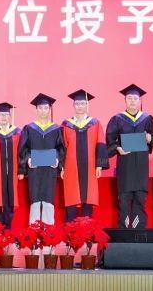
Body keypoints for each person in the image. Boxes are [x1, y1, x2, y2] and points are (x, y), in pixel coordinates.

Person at [106, 84, 153, 229]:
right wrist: (118, 148)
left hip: (141, 166)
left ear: (140, 100)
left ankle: (139, 232)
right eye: (129, 98)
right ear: (125, 100)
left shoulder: (147, 119)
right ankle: (124, 231)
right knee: (124, 200)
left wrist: (150, 139)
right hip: (125, 165)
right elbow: (110, 141)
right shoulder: (117, 119)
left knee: (140, 199)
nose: (132, 101)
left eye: (135, 98)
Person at [60, 90, 108, 220]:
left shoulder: (95, 123)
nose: (80, 106)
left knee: (88, 198)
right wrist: (62, 167)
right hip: (71, 167)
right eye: (77, 104)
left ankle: (87, 229)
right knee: (71, 196)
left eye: (82, 103)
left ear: (87, 105)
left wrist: (99, 165)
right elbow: (62, 147)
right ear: (73, 105)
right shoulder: (66, 124)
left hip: (90, 166)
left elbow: (101, 143)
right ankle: (70, 229)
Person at [17, 94, 64, 225]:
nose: (43, 111)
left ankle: (49, 230)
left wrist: (57, 159)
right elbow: (23, 148)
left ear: (49, 109)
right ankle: (34, 228)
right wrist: (28, 159)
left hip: (50, 169)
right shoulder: (29, 128)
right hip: (35, 169)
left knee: (49, 197)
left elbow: (61, 148)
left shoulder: (56, 129)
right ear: (36, 109)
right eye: (40, 108)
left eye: (46, 108)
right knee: (35, 197)